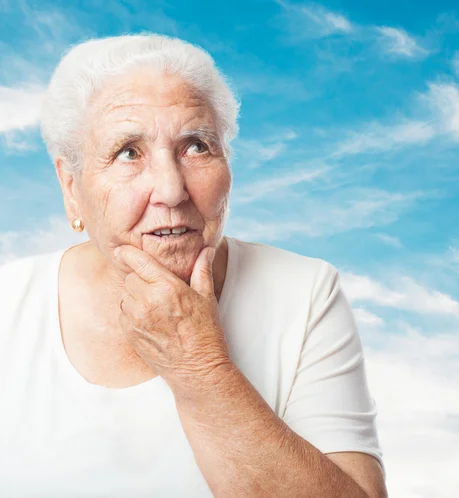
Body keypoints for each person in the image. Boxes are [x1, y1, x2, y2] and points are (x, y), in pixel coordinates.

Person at [0, 34, 387, 497]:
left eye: (196, 147)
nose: (171, 189)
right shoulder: (9, 304)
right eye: (128, 152)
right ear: (71, 187)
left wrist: (199, 368)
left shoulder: (305, 293)